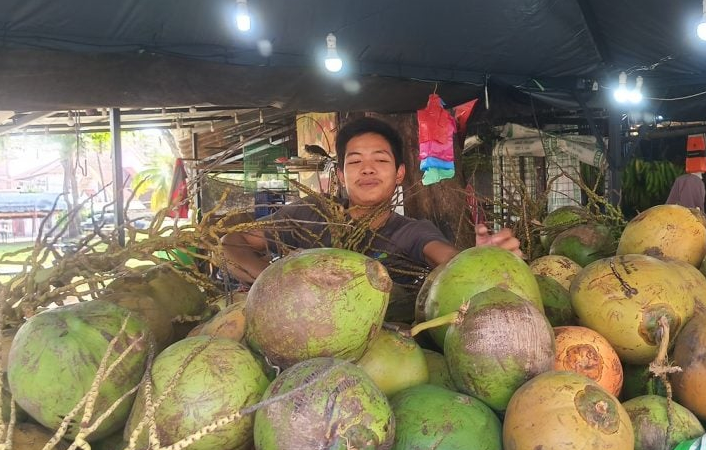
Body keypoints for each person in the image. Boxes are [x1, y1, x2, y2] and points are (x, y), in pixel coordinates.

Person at [220, 116, 520, 315]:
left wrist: (478, 261)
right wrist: (269, 285)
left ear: (400, 173)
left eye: (380, 159)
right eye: (354, 161)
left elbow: (448, 259)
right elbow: (231, 242)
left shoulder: (410, 232)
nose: (367, 169)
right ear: (341, 174)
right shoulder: (311, 214)